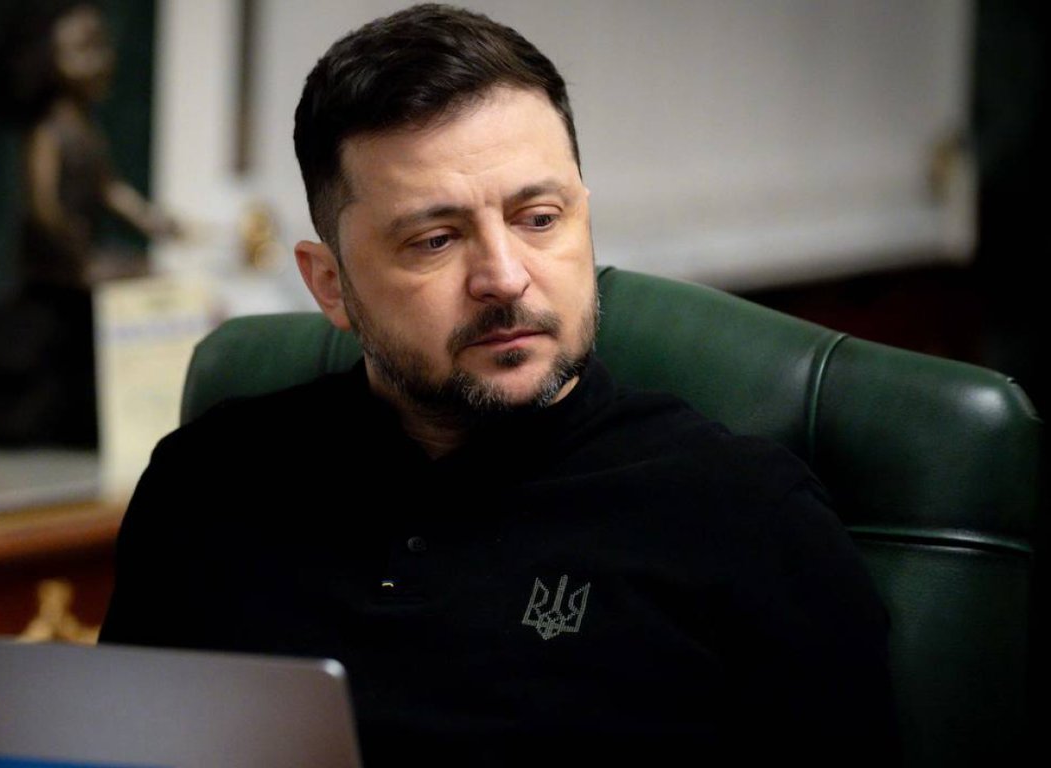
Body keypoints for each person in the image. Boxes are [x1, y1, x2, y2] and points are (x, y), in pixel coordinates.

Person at [99, 4, 898, 764]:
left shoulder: (747, 518)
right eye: (436, 240)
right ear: (331, 285)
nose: (505, 276)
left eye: (539, 219)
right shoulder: (205, 484)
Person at [0, 1, 180, 448]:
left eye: (99, 46)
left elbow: (110, 188)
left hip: (81, 260)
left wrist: (152, 220)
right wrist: (78, 254)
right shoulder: (48, 132)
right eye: (82, 49)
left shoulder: (87, 129)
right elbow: (44, 205)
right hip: (56, 267)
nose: (99, 60)